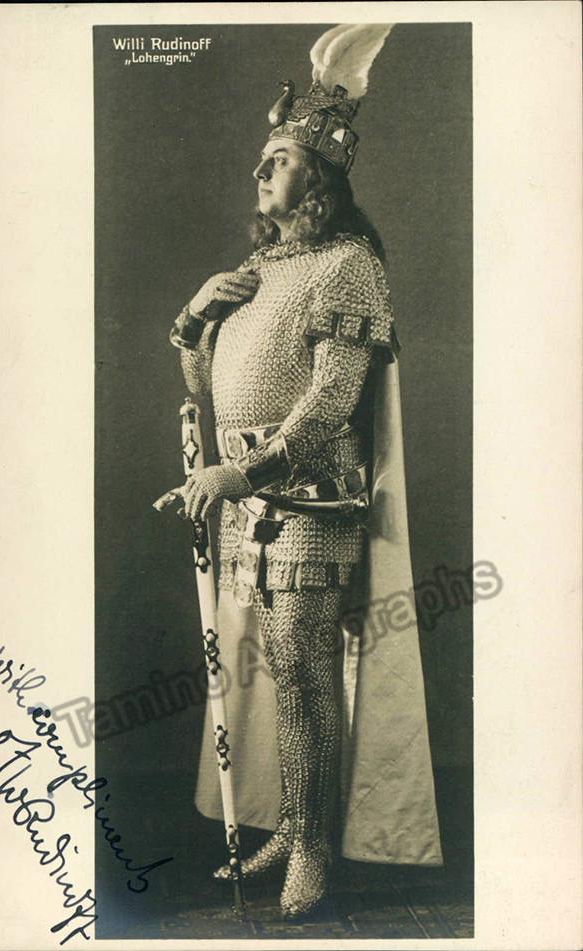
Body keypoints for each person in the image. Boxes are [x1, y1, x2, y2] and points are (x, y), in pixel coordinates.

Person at [159, 24, 442, 919]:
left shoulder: (349, 266)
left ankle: (315, 845)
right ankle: (289, 823)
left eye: (278, 160)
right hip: (250, 502)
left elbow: (328, 406)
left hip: (311, 501)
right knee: (277, 672)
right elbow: (205, 387)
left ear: (317, 178)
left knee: (309, 673)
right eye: (264, 158)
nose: (260, 171)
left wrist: (235, 478)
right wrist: (194, 317)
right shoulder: (259, 268)